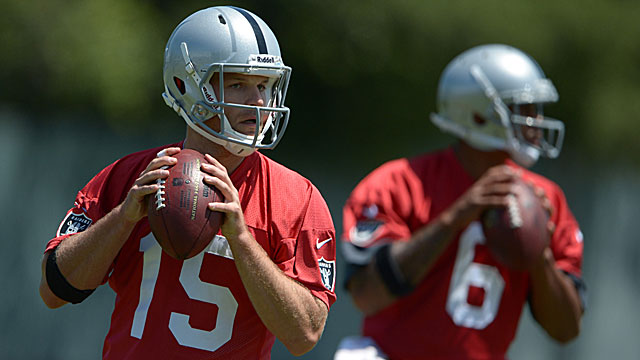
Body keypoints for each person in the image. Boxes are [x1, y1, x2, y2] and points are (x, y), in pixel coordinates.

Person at [38, 6, 337, 359]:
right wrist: (123, 218)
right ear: (186, 85)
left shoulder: (296, 199)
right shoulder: (131, 176)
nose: (257, 101)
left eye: (264, 85)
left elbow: (305, 334)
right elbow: (54, 290)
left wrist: (242, 240)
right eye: (238, 83)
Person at [337, 44, 586, 359]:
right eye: (523, 108)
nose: (535, 121)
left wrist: (539, 252)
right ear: (480, 114)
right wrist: (455, 217)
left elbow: (566, 330)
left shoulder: (545, 199)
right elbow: (365, 295)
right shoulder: (398, 183)